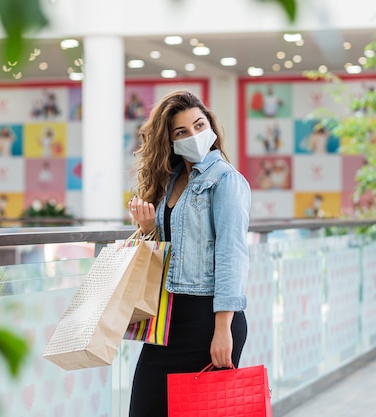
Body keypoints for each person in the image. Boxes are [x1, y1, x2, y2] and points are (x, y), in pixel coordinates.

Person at [127, 90, 251, 417]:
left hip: (208, 321)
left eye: (199, 125)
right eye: (182, 132)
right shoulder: (170, 181)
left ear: (210, 125)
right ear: (169, 141)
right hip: (168, 320)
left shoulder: (226, 180)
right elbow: (167, 254)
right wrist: (148, 227)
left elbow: (231, 255)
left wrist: (222, 329)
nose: (194, 136)